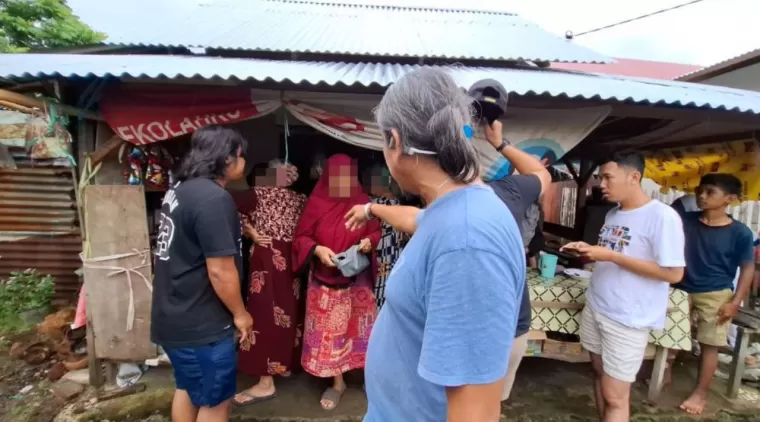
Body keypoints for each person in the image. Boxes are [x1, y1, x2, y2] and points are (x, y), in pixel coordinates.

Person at [352, 68, 525, 422]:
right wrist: (372, 209)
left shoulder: (466, 242)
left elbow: (474, 411)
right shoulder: (451, 209)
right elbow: (419, 222)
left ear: (395, 142)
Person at [561, 152, 685, 422]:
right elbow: (614, 252)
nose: (601, 184)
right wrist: (590, 250)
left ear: (634, 177)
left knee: (615, 397)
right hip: (598, 305)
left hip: (628, 318)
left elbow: (674, 273)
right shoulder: (614, 214)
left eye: (607, 177)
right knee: (599, 374)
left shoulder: (662, 217)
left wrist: (612, 256)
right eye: (600, 177)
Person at [151, 125, 253, 422]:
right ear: (226, 160)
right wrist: (240, 313)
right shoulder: (213, 199)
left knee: (188, 388)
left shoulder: (179, 190)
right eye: (240, 155)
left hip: (175, 315)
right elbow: (220, 271)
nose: (243, 162)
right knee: (216, 401)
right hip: (201, 324)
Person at [291, 153, 382, 410]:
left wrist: (368, 242)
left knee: (360, 330)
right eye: (337, 178)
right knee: (332, 334)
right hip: (325, 283)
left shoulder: (362, 201)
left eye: (348, 178)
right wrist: (318, 250)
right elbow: (301, 238)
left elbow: (375, 231)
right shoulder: (316, 203)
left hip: (358, 282)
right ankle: (338, 382)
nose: (343, 183)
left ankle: (367, 376)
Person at [674, 174, 755, 415]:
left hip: (716, 293)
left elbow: (748, 268)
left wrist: (735, 302)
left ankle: (701, 393)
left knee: (709, 344)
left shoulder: (740, 232)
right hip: (680, 287)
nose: (701, 195)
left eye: (710, 192)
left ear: (730, 199)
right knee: (667, 336)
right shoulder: (686, 221)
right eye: (700, 190)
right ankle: (663, 375)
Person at [230, 161, 306, 406]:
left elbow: (225, 206)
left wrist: (249, 231)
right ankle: (282, 364)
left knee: (264, 314)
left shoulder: (257, 194)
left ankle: (266, 382)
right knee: (288, 313)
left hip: (268, 259)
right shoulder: (300, 199)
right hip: (292, 261)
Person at [364, 164, 406, 310]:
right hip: (394, 253)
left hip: (379, 251)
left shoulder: (374, 204)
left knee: (377, 285)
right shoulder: (397, 204)